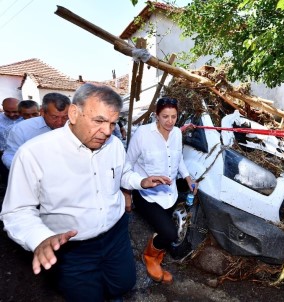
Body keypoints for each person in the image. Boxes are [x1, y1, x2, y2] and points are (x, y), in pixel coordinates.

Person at [0, 83, 171, 302]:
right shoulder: (33, 154)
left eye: (112, 123)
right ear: (73, 113)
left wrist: (140, 181)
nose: (108, 131)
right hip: (71, 250)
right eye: (99, 121)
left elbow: (122, 173)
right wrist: (39, 238)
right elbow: (16, 211)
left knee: (124, 282)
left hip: (116, 236)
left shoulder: (114, 145)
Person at [126, 96, 197, 284]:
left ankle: (157, 258)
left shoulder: (176, 134)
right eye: (165, 116)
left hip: (170, 194)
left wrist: (188, 178)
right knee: (169, 233)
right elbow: (127, 164)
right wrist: (131, 191)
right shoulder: (142, 134)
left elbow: (178, 158)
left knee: (162, 230)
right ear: (156, 115)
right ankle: (149, 256)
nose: (170, 121)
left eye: (174, 117)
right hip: (147, 196)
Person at [2, 93, 70, 169]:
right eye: (54, 117)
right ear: (42, 112)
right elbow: (10, 156)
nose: (60, 122)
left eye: (65, 117)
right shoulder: (22, 129)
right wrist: (26, 171)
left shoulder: (75, 126)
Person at [0, 98, 22, 187]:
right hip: (2, 156)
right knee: (8, 180)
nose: (11, 114)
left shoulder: (27, 117)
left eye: (15, 111)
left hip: (23, 155)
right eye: (7, 111)